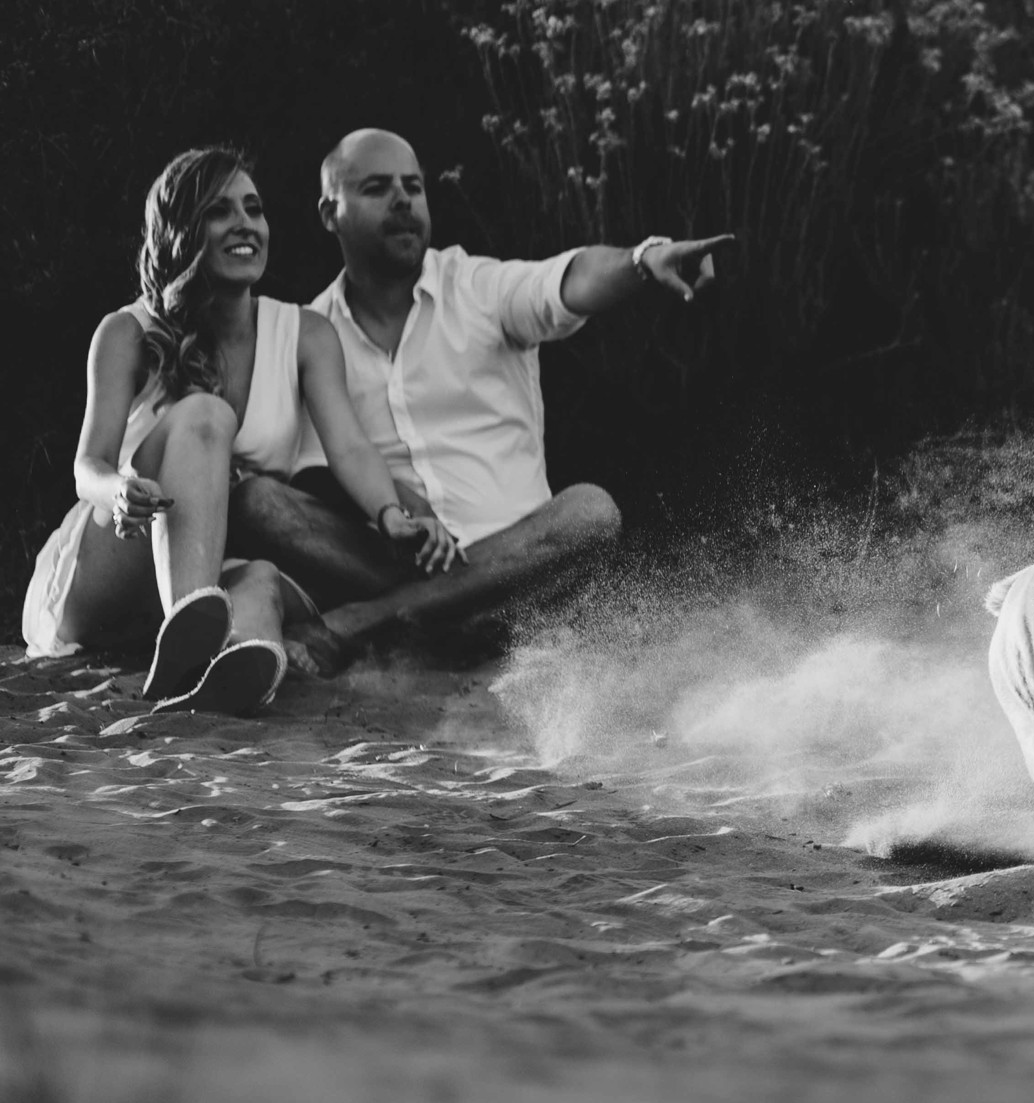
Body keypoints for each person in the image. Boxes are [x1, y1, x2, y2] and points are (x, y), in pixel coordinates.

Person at [229, 128, 734, 675]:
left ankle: (365, 622)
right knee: (259, 501)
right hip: (400, 562)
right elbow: (317, 470)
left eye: (414, 187)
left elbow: (567, 281)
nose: (403, 200)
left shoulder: (479, 287)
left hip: (518, 562)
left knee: (590, 511)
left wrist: (641, 260)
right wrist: (403, 512)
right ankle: (449, 615)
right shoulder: (310, 332)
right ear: (330, 213)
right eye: (377, 188)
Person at [19, 145, 459, 714]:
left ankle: (230, 673)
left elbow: (350, 447)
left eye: (254, 208)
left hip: (209, 572)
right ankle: (192, 635)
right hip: (113, 562)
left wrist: (390, 514)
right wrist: (119, 490)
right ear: (182, 229)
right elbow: (88, 467)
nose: (245, 223)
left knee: (261, 579)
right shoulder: (127, 332)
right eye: (220, 211)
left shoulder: (304, 334)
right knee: (206, 415)